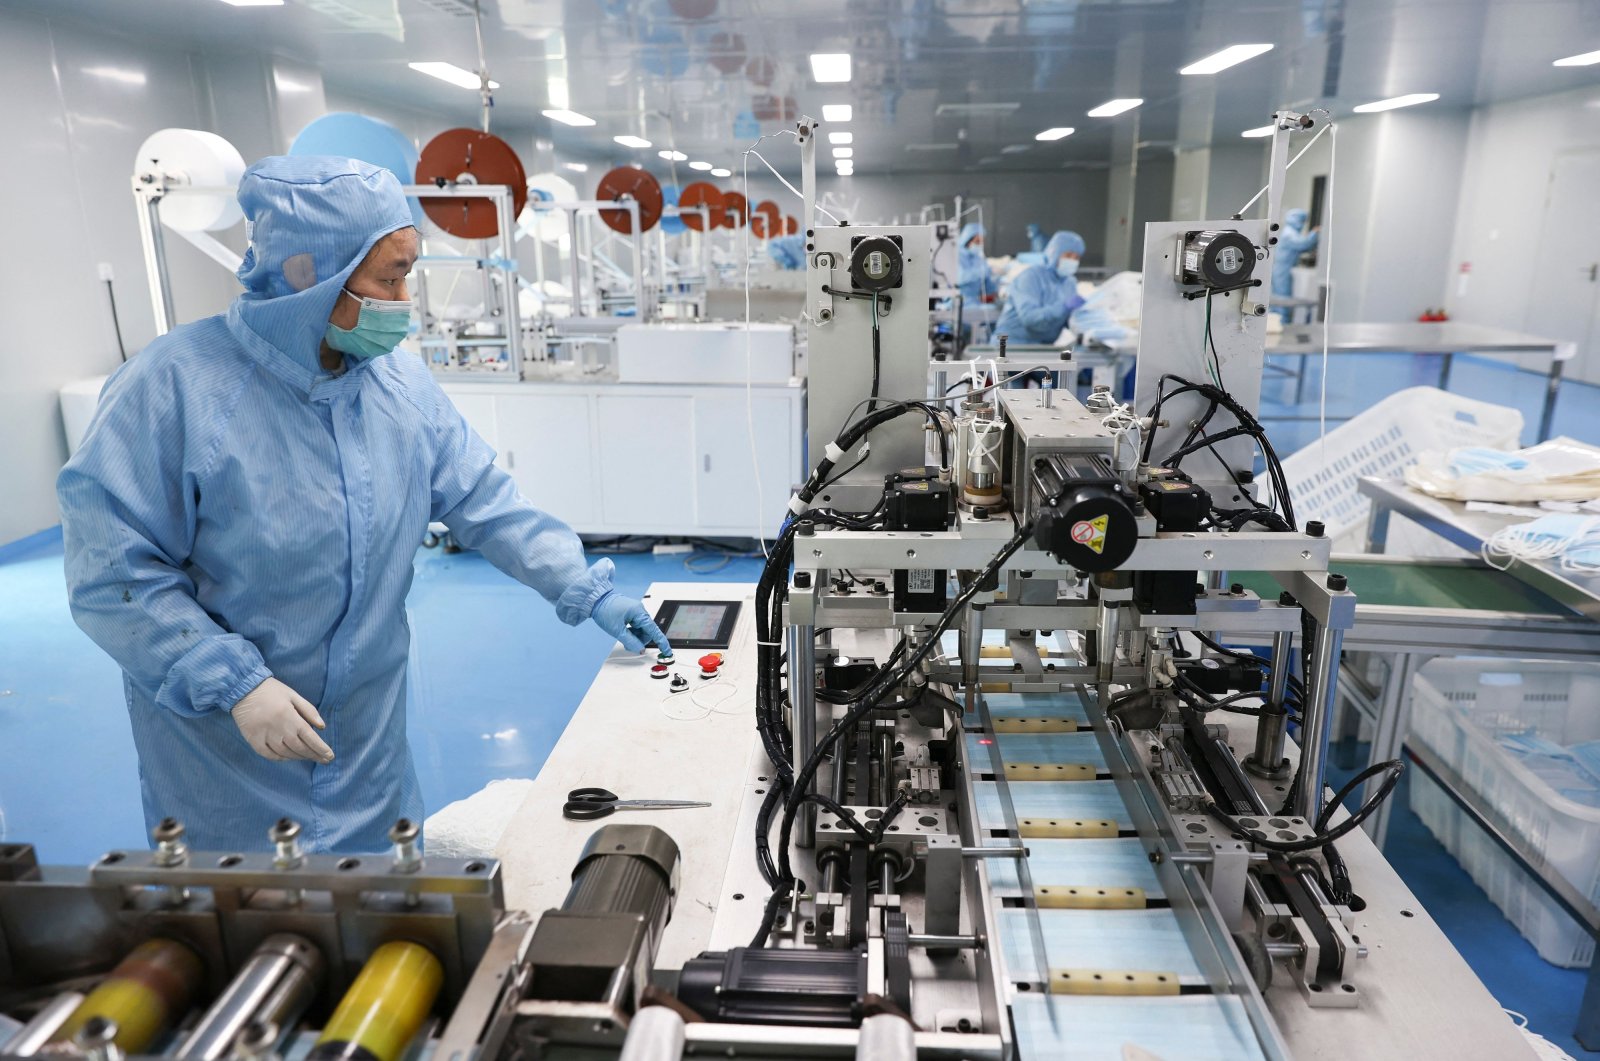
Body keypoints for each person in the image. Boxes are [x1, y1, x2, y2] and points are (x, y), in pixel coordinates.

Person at [58, 157, 670, 854]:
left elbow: (484, 498)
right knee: (246, 927)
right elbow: (114, 573)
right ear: (305, 277)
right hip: (228, 750)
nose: (404, 298)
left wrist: (584, 586)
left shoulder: (396, 384)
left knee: (379, 916)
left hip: (368, 739)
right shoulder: (170, 390)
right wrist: (232, 682)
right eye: (390, 277)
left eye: (409, 272)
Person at [993, 230, 1086, 345]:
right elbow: (1030, 318)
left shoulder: (1070, 283)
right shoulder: (1031, 277)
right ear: (1054, 253)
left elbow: (1065, 319)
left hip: (1043, 347)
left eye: (1076, 258)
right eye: (1068, 255)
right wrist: (1064, 307)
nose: (1072, 261)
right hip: (1012, 345)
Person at [1272, 207, 1319, 320]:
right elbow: (1303, 244)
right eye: (1302, 221)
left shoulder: (1290, 232)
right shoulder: (1289, 233)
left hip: (1284, 269)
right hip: (1282, 270)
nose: (1302, 224)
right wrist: (1314, 233)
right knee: (1282, 300)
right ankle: (1280, 325)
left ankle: (1279, 323)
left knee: (1280, 299)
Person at [955, 222, 997, 305]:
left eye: (982, 242)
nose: (980, 245)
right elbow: (960, 278)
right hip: (957, 302)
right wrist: (987, 270)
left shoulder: (978, 258)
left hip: (974, 302)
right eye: (977, 241)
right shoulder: (956, 255)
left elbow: (986, 285)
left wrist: (997, 285)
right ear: (967, 239)